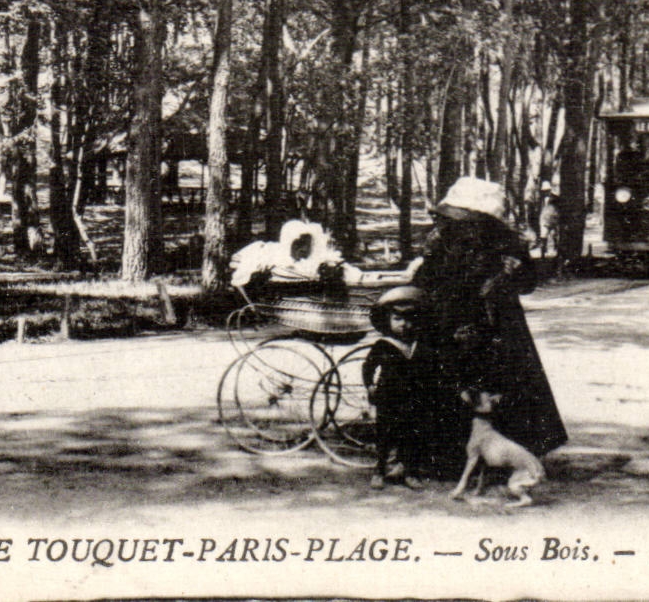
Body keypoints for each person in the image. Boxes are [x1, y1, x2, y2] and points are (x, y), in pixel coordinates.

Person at [413, 177, 568, 478]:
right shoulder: (443, 236)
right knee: (449, 382)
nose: (463, 224)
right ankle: (446, 458)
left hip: (496, 322)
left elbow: (527, 283)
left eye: (469, 218)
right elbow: (425, 276)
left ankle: (507, 454)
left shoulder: (507, 242)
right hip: (450, 317)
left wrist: (512, 274)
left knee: (499, 382)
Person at [362, 286, 433, 489]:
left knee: (412, 434)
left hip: (413, 399)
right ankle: (380, 471)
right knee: (385, 434)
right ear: (388, 321)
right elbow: (368, 367)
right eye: (398, 319)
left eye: (409, 319)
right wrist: (370, 386)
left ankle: (410, 472)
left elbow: (428, 369)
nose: (404, 324)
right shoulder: (383, 345)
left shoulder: (419, 345)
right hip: (389, 397)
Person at [230, 220, 352, 301]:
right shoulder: (278, 255)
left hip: (303, 277)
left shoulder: (308, 259)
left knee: (333, 278)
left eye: (306, 244)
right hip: (286, 281)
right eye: (299, 244)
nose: (304, 248)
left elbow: (311, 263)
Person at [536, 181, 559, 259]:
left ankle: (556, 253)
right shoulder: (540, 199)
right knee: (543, 236)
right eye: (544, 191)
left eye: (547, 190)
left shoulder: (555, 198)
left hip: (553, 219)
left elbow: (558, 208)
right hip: (544, 220)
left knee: (555, 236)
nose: (546, 192)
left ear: (550, 190)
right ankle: (543, 254)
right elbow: (538, 209)